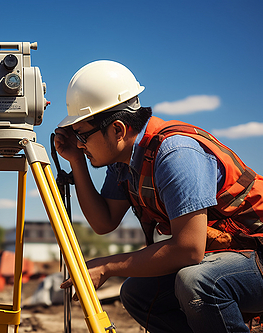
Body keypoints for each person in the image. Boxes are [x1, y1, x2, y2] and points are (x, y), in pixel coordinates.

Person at [54, 60, 263, 333]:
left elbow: (188, 250)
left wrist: (107, 266)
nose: (80, 144)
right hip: (238, 254)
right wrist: (76, 161)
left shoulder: (175, 154)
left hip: (258, 254)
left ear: (117, 130)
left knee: (197, 281)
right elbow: (103, 223)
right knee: (137, 293)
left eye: (83, 136)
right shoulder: (123, 161)